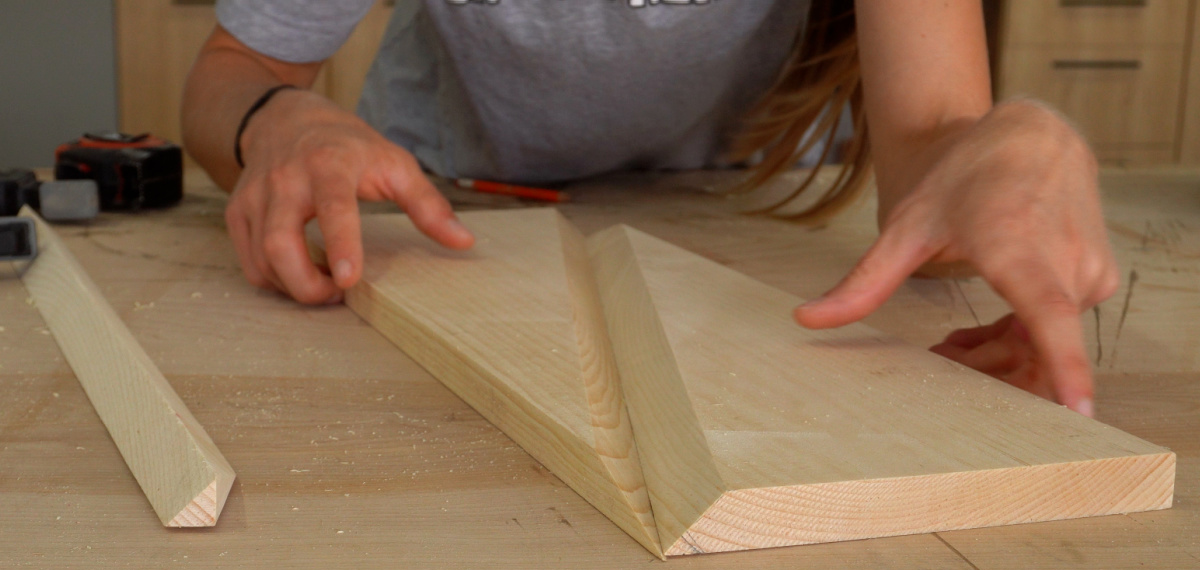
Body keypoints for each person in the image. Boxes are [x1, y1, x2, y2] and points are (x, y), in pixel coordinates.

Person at [182, 0, 1118, 418]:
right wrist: (278, 117)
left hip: (739, 210)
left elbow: (932, 179)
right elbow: (235, 75)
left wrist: (998, 153)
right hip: (447, 205)